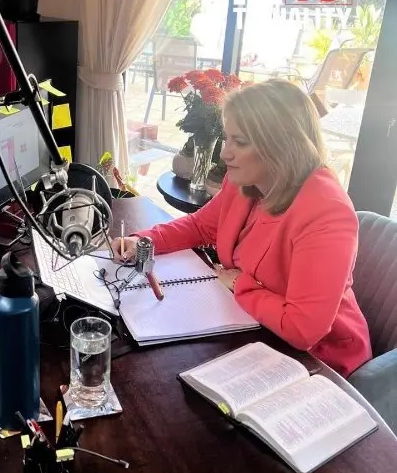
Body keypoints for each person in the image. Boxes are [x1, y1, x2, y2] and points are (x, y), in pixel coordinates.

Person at [112, 79, 371, 378]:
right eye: (227, 138)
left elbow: (303, 330)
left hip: (321, 361)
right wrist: (143, 241)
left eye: (240, 142)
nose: (224, 153)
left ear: (282, 145)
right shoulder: (246, 181)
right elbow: (200, 226)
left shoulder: (326, 212)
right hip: (254, 326)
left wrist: (238, 284)